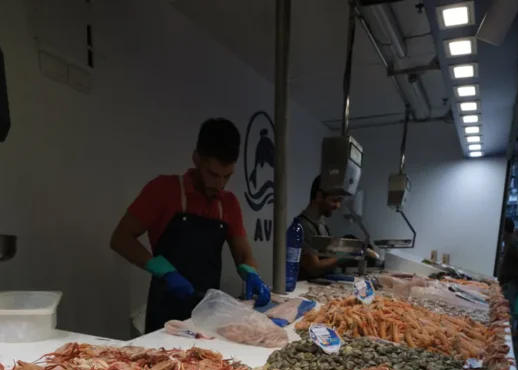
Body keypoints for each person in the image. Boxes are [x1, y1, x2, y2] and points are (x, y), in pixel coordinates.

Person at [110, 118, 270, 334]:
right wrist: (164, 272)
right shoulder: (163, 190)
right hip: (165, 310)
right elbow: (120, 238)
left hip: (207, 312)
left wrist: (252, 274)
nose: (220, 184)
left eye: (227, 176)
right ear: (196, 159)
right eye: (213, 174)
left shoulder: (229, 203)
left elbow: (243, 256)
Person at [295, 176, 345, 280]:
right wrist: (346, 256)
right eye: (334, 200)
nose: (338, 206)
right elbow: (314, 268)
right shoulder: (303, 226)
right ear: (319, 196)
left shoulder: (322, 225)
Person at [497, 221, 518, 323]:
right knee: (505, 307)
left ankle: (508, 334)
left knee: (507, 309)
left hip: (512, 281)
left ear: (504, 230)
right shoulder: (509, 241)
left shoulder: (514, 242)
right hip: (507, 280)